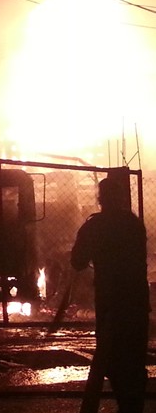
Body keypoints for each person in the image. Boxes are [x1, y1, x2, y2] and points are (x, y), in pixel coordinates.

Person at [71, 177, 150, 413]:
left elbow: (77, 262)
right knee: (134, 358)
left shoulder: (94, 225)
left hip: (110, 303)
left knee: (110, 358)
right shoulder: (134, 224)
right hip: (136, 301)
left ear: (100, 198)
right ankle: (132, 406)